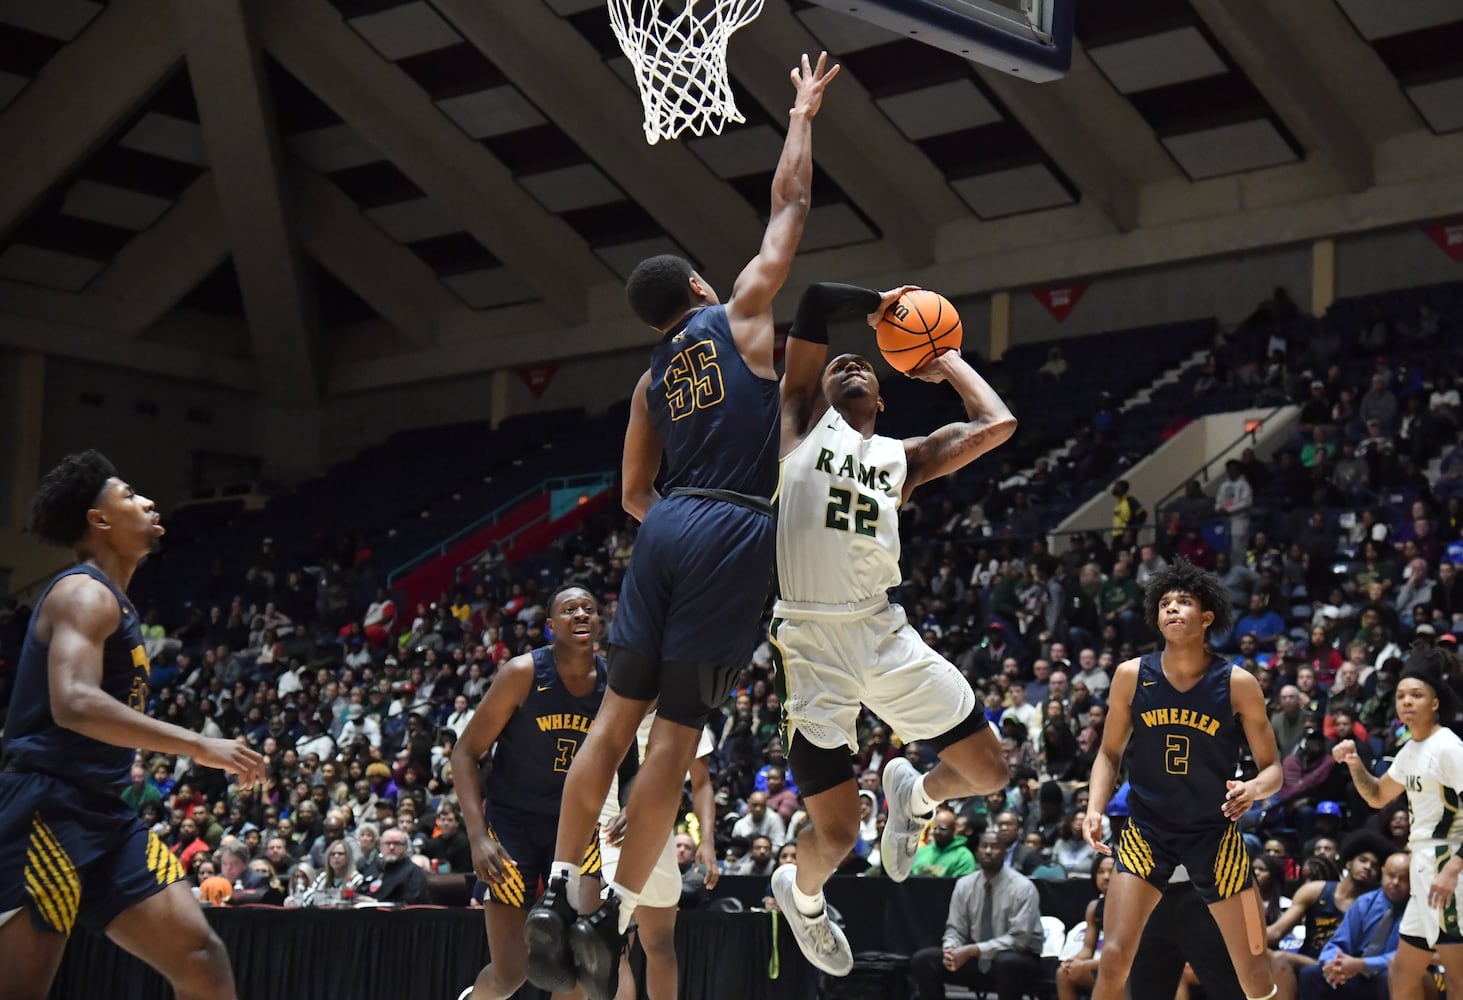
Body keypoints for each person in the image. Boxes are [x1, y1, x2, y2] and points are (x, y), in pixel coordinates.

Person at [524, 52, 842, 1000]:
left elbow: (629, 494)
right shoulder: (740, 315)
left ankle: (557, 892)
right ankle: (616, 917)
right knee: (672, 742)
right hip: (732, 529)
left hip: (658, 535)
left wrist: (678, 527)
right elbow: (789, 207)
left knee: (612, 727)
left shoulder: (648, 378)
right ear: (701, 285)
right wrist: (799, 114)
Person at [764, 278, 1016, 974]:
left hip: (882, 631)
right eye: (840, 365)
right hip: (811, 644)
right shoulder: (796, 423)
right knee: (838, 834)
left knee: (991, 772)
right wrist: (877, 301)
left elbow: (996, 426)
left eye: (866, 369)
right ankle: (803, 899)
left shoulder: (899, 459)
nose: (850, 365)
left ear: (882, 399)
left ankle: (915, 791)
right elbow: (812, 299)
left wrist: (944, 358)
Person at [0, 451, 266, 999]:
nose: (147, 501)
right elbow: (72, 702)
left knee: (202, 958)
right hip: (47, 808)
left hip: (104, 810)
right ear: (99, 520)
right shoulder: (83, 592)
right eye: (128, 495)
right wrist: (196, 744)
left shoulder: (115, 601)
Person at [1082, 559, 1284, 1000]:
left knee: (1254, 972)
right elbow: (1109, 752)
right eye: (1165, 604)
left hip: (1213, 834)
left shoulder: (1238, 683)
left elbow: (1274, 770)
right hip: (1147, 830)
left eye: (1184, 602)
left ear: (1206, 617)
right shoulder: (1131, 676)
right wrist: (1095, 807)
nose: (1172, 609)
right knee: (1113, 958)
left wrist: (1253, 788)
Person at [451, 586, 609, 999]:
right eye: (569, 608)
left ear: (599, 624)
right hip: (512, 823)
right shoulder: (522, 673)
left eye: (589, 609)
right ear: (551, 626)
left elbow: (626, 759)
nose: (580, 614)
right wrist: (477, 837)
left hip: (575, 828)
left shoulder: (615, 683)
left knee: (576, 969)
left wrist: (627, 801)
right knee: (511, 975)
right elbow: (465, 753)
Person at [1332, 642, 1463, 1000]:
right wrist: (1355, 763)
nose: (1406, 701)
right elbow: (1376, 796)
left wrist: (1453, 870)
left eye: (1417, 695)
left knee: (1458, 975)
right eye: (1402, 695)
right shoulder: (1410, 749)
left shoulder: (1449, 747)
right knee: (1402, 973)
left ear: (1435, 703)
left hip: (1445, 864)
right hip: (1421, 865)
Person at [595, 708, 717, 1000]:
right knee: (615, 943)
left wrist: (708, 841)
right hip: (607, 829)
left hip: (653, 830)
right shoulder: (600, 698)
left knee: (656, 942)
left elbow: (701, 783)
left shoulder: (682, 707)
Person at [909, 831, 1043, 1000]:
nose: (988, 851)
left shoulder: (1023, 888)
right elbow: (955, 929)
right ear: (977, 852)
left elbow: (1020, 940)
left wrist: (974, 950)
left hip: (1019, 960)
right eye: (984, 846)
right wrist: (951, 949)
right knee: (923, 960)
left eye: (994, 847)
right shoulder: (964, 885)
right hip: (975, 958)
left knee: (1008, 962)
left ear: (1005, 852)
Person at [1297, 851, 1409, 1000]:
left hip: (1383, 973)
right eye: (1391, 875)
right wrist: (1334, 964)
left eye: (1403, 879)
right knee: (1310, 974)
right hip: (1352, 972)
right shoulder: (1364, 902)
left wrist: (1363, 964)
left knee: (1391, 978)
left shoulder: (1415, 911)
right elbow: (1337, 942)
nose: (1395, 882)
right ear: (1383, 872)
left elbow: (1405, 957)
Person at [1055, 854, 1112, 1000]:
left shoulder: (1131, 905)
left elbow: (1125, 955)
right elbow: (1087, 949)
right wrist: (1073, 961)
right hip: (1099, 965)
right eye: (1100, 872)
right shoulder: (1093, 907)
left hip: (1125, 967)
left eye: (1111, 872)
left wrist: (1087, 965)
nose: (1106, 877)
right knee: (1064, 973)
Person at [361, 828, 431, 906]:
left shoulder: (414, 872)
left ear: (405, 847)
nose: (391, 847)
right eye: (387, 843)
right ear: (380, 847)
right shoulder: (372, 868)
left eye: (397, 843)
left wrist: (376, 903)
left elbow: (414, 906)